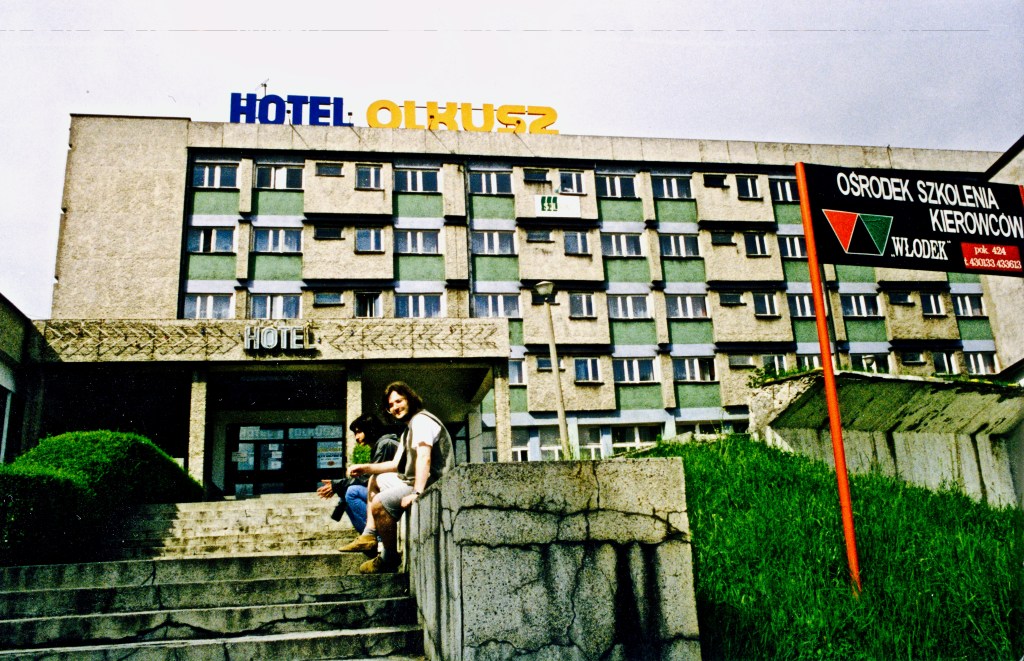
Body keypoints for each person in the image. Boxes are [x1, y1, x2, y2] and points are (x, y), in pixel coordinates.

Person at [345, 381, 453, 574]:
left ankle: (388, 558)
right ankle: (369, 534)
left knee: (379, 503)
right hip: (415, 479)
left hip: (432, 483)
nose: (395, 407)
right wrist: (365, 468)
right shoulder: (408, 429)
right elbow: (395, 465)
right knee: (375, 479)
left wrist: (417, 493)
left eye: (399, 401)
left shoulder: (421, 421)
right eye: (391, 405)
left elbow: (424, 457)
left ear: (410, 399)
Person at [317, 414, 398, 551]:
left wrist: (338, 484)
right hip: (386, 493)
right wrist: (339, 486)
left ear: (370, 429)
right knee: (347, 493)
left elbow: (370, 478)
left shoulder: (385, 444)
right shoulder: (380, 445)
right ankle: (367, 538)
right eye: (355, 433)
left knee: (352, 492)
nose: (356, 437)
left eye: (359, 432)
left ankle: (378, 539)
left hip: (393, 493)